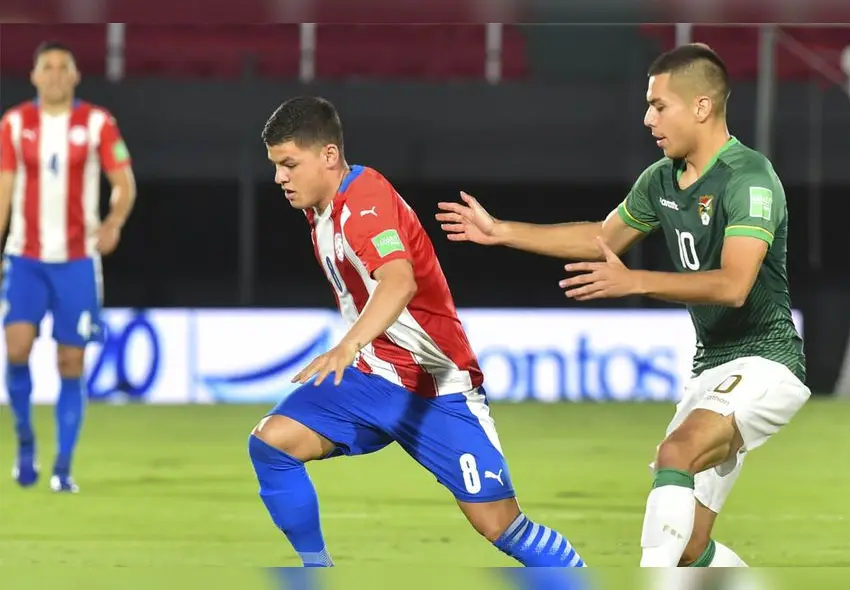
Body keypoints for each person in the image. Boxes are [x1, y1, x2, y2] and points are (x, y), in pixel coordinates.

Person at [437, 44, 810, 567]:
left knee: (674, 455)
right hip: (712, 366)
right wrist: (501, 231)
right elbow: (601, 239)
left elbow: (734, 285)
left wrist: (634, 281)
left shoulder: (748, 177)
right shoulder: (661, 179)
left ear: (701, 107)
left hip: (767, 360)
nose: (647, 118)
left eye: (660, 106)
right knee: (690, 548)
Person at [250, 96, 585, 568]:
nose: (279, 178)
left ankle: (579, 579)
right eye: (276, 166)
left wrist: (347, 345)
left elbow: (399, 280)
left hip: (436, 388)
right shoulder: (321, 209)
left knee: (502, 527)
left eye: (288, 164)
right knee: (271, 442)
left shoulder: (364, 203)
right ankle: (316, 573)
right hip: (373, 378)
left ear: (328, 156)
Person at [0, 41, 136, 493]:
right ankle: (24, 442)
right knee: (16, 349)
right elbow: (4, 190)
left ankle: (62, 465)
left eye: (64, 66)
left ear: (76, 76)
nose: (55, 74)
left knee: (71, 361)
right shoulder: (15, 124)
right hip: (25, 257)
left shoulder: (98, 123)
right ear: (34, 76)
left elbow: (124, 183)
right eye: (47, 67)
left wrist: (114, 220)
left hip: (77, 261)